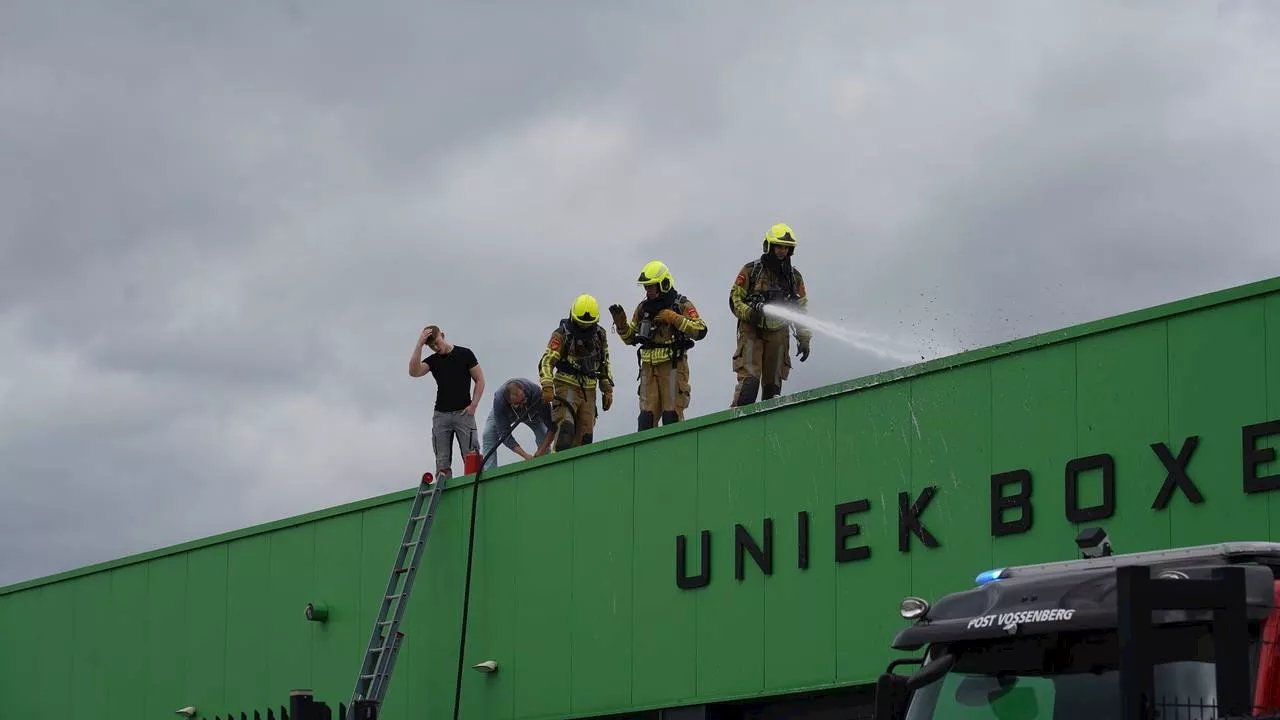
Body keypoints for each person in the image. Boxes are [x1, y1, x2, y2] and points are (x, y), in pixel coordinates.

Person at [609, 260, 707, 430]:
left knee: (671, 418)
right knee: (645, 421)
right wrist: (621, 325)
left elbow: (701, 330)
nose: (647, 291)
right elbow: (630, 338)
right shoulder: (643, 309)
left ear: (664, 284)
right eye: (646, 287)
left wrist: (674, 318)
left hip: (673, 366)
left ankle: (674, 455)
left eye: (651, 286)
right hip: (648, 369)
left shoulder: (680, 304)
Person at [727, 223, 812, 407]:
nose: (782, 251)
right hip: (752, 329)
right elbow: (735, 299)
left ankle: (767, 430)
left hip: (779, 331)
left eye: (786, 248)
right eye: (779, 246)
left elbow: (801, 309)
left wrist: (804, 337)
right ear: (769, 246)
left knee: (772, 388)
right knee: (749, 383)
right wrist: (750, 312)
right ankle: (737, 424)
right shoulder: (752, 271)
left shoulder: (794, 277)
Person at [538, 294, 614, 451]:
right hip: (566, 386)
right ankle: (557, 468)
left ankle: (579, 473)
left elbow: (604, 362)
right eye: (580, 324)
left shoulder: (600, 335)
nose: (584, 328)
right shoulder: (562, 334)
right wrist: (547, 385)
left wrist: (607, 388)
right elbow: (546, 361)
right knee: (566, 430)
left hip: (589, 390)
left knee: (585, 439)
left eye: (587, 325)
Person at [408, 325, 486, 479]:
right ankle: (443, 489)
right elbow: (414, 372)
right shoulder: (433, 361)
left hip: (464, 413)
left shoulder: (464, 353)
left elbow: (480, 380)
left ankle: (475, 487)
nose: (435, 347)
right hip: (441, 415)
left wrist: (474, 405)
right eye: (431, 346)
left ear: (442, 335)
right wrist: (419, 344)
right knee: (442, 461)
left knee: (471, 456)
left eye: (436, 342)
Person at [481, 378, 555, 469]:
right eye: (517, 403)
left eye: (523, 400)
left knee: (543, 435)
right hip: (508, 414)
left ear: (524, 391)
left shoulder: (537, 393)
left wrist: (541, 451)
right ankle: (490, 471)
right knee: (488, 433)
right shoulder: (500, 401)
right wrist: (526, 456)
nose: (521, 405)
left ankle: (546, 466)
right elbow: (505, 435)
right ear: (508, 401)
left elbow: (552, 427)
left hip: (534, 414)